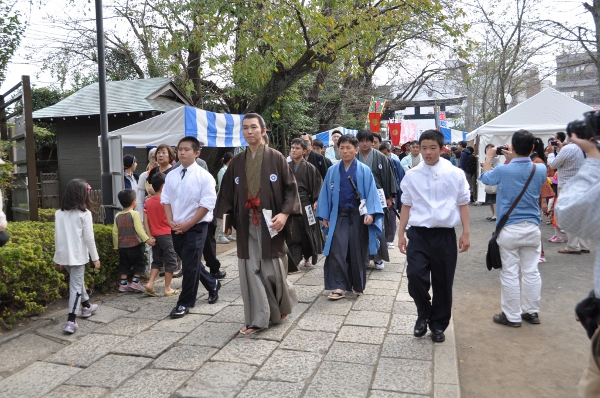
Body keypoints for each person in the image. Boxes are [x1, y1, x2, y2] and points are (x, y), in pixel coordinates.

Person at [215, 113, 300, 335]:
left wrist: (284, 214)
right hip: (245, 223)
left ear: (263, 131)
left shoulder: (276, 158)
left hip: (271, 221)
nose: (249, 131)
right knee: (249, 270)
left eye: (254, 127)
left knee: (273, 270)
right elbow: (226, 193)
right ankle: (257, 318)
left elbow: (291, 188)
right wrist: (226, 220)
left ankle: (281, 305)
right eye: (245, 128)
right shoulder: (236, 163)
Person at [398, 130, 470, 343]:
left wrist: (466, 232)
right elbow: (407, 205)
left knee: (443, 282)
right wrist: (400, 233)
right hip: (419, 234)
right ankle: (423, 311)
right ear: (417, 148)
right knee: (415, 276)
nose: (428, 152)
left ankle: (438, 325)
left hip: (444, 235)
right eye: (424, 148)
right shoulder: (412, 175)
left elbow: (463, 203)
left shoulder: (455, 174)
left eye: (432, 148)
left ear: (442, 148)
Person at [479, 129, 547, 328]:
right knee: (531, 271)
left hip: (509, 228)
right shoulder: (540, 169)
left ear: (513, 147)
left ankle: (512, 316)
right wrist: (516, 157)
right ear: (533, 148)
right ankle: (531, 312)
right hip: (533, 228)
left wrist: (489, 157)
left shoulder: (503, 170)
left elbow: (486, 180)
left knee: (509, 272)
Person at [553, 132, 600, 397]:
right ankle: (580, 245)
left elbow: (570, 215)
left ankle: (574, 245)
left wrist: (593, 160)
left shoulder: (570, 150)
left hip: (573, 185)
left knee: (572, 223)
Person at [316, 134, 384, 299]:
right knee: (337, 249)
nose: (345, 151)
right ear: (338, 150)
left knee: (357, 251)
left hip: (358, 215)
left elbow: (371, 194)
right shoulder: (332, 171)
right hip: (339, 215)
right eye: (342, 148)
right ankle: (339, 286)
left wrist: (370, 213)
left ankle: (357, 284)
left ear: (356, 149)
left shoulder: (364, 170)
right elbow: (325, 194)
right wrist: (325, 215)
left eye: (348, 148)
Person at [162, 136, 221, 318]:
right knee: (191, 262)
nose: (182, 152)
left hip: (197, 226)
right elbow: (166, 200)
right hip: (176, 226)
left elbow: (207, 204)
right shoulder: (172, 175)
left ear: (197, 153)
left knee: (189, 265)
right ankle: (212, 284)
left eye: (186, 149)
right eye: (180, 149)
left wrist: (188, 224)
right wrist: (170, 221)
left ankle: (184, 302)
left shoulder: (205, 177)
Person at [54, 179, 101, 334]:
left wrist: (57, 258)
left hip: (64, 255)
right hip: (78, 256)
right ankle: (71, 320)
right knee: (75, 286)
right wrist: (95, 258)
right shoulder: (84, 214)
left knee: (76, 281)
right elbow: (89, 238)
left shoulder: (58, 213)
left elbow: (57, 237)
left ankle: (86, 306)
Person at [356, 129, 397, 270]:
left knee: (379, 226)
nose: (365, 143)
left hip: (378, 195)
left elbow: (388, 177)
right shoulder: (354, 157)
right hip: (359, 197)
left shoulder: (381, 157)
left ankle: (378, 258)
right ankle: (364, 258)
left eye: (368, 141)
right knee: (361, 227)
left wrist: (389, 197)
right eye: (362, 141)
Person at [286, 138, 324, 272]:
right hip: (290, 203)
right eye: (292, 148)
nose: (294, 150)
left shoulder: (310, 168)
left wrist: (316, 200)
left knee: (308, 231)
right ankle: (295, 261)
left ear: (304, 151)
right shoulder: (285, 167)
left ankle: (307, 256)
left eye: (297, 148)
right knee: (292, 233)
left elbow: (318, 185)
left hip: (305, 203)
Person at [550, 131, 589, 255]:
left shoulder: (568, 149)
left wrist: (552, 153)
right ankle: (584, 245)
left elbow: (554, 164)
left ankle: (572, 246)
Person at [143, 172, 179, 297]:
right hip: (167, 235)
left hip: (155, 236)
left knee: (157, 261)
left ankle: (150, 283)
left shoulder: (147, 202)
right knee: (170, 261)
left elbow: (146, 221)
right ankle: (167, 288)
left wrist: (149, 235)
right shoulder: (167, 202)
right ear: (164, 186)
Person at [113, 189, 155, 292]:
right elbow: (139, 229)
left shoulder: (117, 216)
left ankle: (123, 285)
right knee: (139, 263)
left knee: (124, 265)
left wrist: (115, 246)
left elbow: (114, 233)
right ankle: (135, 283)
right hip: (135, 245)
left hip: (122, 247)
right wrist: (147, 239)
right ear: (134, 202)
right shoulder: (134, 214)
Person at [379, 142, 405, 248]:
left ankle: (390, 239)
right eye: (382, 154)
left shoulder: (395, 162)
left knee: (391, 217)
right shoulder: (378, 162)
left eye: (386, 153)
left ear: (390, 151)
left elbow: (401, 177)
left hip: (393, 192)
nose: (384, 156)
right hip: (380, 192)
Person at [217, 152, 235, 244]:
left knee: (229, 216)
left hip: (229, 196)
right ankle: (221, 235)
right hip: (224, 197)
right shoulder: (222, 171)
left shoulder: (229, 170)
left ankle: (227, 233)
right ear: (231, 160)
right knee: (223, 216)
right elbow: (222, 186)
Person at [136, 148, 157, 216]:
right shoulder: (144, 176)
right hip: (149, 211)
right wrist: (142, 218)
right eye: (153, 157)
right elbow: (140, 199)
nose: (156, 160)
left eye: (158, 156)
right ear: (149, 159)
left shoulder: (169, 173)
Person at [481, 144, 499, 221]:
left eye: (490, 148)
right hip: (489, 180)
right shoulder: (486, 158)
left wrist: (487, 165)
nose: (488, 150)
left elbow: (496, 169)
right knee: (490, 199)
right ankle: (493, 214)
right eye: (487, 148)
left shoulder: (495, 159)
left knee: (494, 198)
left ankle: (495, 215)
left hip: (494, 181)